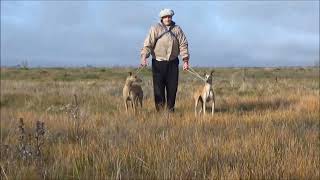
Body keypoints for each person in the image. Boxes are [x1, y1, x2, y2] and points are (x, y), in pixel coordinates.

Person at [140, 8, 190, 112]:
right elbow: (148, 44)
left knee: (172, 89)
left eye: (169, 17)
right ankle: (160, 113)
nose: (167, 19)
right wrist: (144, 57)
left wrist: (185, 61)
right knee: (158, 89)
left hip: (173, 63)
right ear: (162, 18)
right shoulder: (155, 28)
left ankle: (170, 112)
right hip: (158, 63)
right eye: (165, 17)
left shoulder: (177, 29)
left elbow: (183, 44)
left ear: (171, 17)